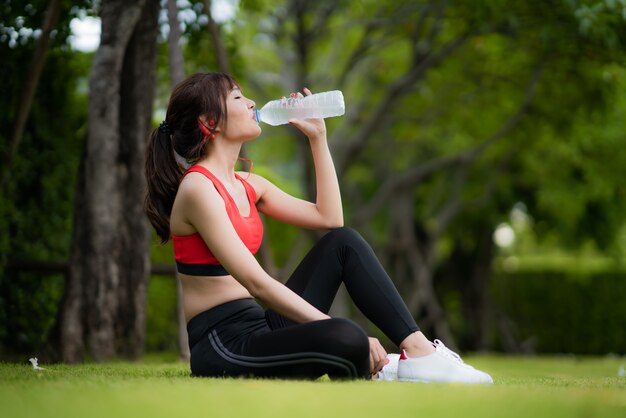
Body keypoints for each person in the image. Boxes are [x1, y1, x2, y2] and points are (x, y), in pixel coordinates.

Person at [144, 72, 493, 383]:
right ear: (210, 123)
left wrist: (318, 138)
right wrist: (328, 325)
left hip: (261, 323)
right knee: (345, 336)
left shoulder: (249, 184)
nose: (251, 102)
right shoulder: (198, 189)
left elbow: (330, 219)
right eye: (237, 97)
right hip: (224, 343)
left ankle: (419, 354)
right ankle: (374, 363)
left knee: (344, 243)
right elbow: (257, 283)